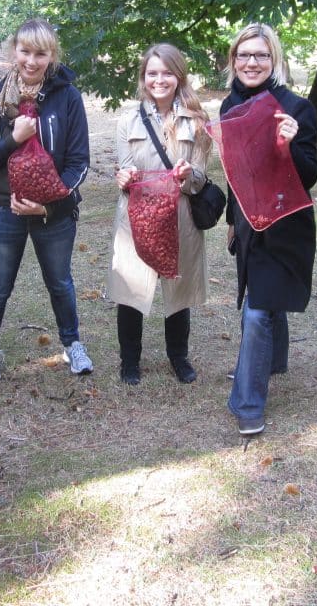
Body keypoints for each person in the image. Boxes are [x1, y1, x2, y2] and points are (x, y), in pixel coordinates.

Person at [0, 18, 92, 382]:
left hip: (52, 213)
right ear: (14, 51)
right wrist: (13, 139)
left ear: (52, 55)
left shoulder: (67, 96)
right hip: (1, 210)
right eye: (25, 51)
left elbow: (78, 162)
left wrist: (50, 205)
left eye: (41, 53)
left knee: (60, 282)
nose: (32, 61)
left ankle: (72, 345)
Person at [221, 24, 317, 436]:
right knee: (262, 300)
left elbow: (310, 175)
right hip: (248, 223)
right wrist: (230, 219)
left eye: (260, 55)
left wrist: (293, 143)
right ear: (233, 61)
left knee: (259, 310)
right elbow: (234, 172)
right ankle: (270, 362)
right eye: (244, 55)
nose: (251, 63)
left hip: (286, 224)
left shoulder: (297, 108)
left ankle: (247, 402)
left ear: (274, 59)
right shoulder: (229, 105)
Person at [107, 44, 212, 385]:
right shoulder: (128, 120)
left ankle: (178, 358)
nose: (159, 80)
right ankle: (129, 361)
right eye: (152, 73)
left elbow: (200, 177)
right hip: (137, 217)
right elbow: (124, 170)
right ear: (143, 77)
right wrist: (122, 177)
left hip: (179, 214)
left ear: (179, 76)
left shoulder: (198, 122)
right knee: (131, 288)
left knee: (178, 291)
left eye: (167, 72)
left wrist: (187, 176)